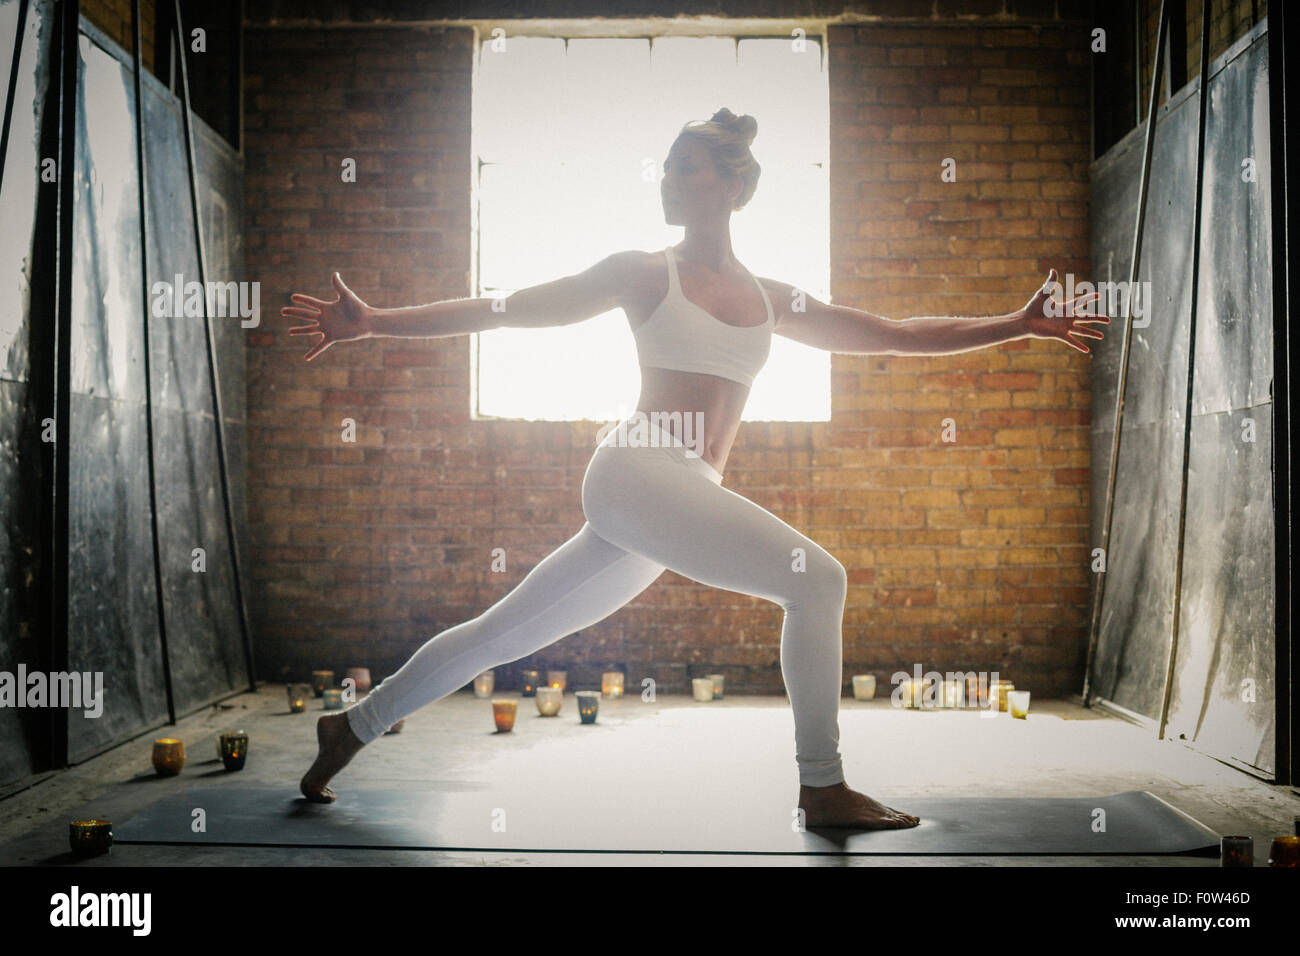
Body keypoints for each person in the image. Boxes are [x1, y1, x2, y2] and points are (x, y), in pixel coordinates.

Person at [282, 107, 1107, 827]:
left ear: (731, 185)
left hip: (674, 493)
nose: (669, 178)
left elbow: (890, 331)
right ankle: (823, 786)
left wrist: (1016, 324)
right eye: (667, 166)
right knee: (816, 580)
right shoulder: (645, 271)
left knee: (503, 633)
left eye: (685, 166)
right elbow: (511, 310)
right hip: (638, 470)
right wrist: (376, 322)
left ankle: (351, 726)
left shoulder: (772, 296)